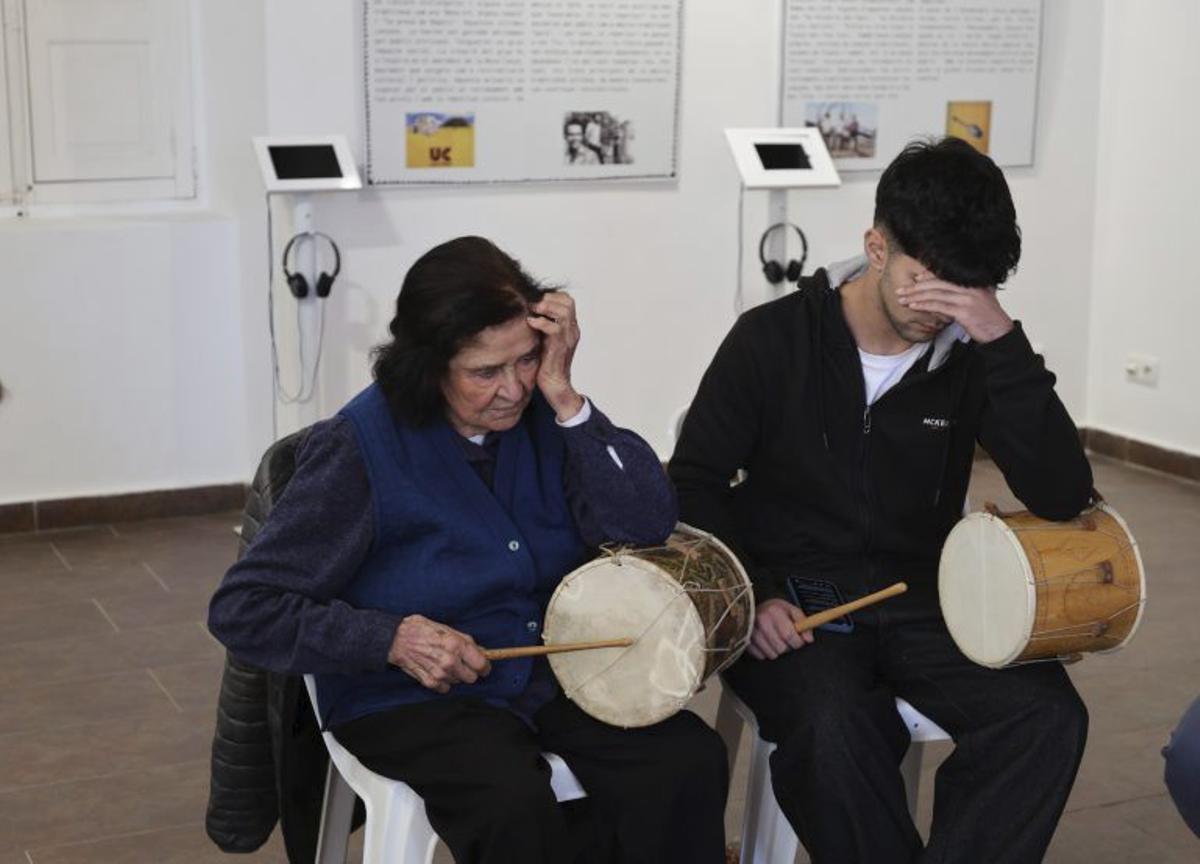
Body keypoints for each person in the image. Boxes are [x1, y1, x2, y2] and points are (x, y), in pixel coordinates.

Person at [209, 236, 728, 864]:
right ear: (429, 367)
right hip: (410, 698)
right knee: (509, 802)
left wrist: (566, 397)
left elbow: (647, 522)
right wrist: (392, 639)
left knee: (685, 760)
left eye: (527, 359)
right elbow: (244, 607)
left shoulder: (547, 415)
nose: (513, 388)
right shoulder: (358, 449)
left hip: (551, 677)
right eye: (486, 372)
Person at [669, 138, 1093, 863]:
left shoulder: (975, 352)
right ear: (876, 246)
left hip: (928, 599)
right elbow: (693, 482)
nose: (940, 308)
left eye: (967, 291)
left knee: (1047, 716)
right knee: (834, 729)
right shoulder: (772, 341)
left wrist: (999, 337)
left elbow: (1062, 492)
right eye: (925, 282)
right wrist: (754, 597)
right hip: (796, 608)